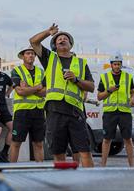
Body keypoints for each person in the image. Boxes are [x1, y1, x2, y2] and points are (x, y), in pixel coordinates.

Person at [29, 23, 95, 168]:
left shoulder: (81, 63)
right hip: (54, 110)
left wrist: (76, 79)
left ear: (71, 45)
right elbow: (33, 41)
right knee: (58, 152)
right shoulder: (49, 58)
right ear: (54, 45)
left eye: (65, 38)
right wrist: (48, 32)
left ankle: (91, 182)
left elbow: (91, 86)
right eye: (59, 39)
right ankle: (62, 182)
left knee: (84, 150)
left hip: (75, 111)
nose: (62, 39)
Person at [9, 47, 46, 163]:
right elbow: (20, 91)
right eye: (28, 53)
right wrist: (37, 87)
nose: (31, 55)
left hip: (39, 111)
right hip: (22, 112)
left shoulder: (41, 71)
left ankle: (41, 169)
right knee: (16, 142)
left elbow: (45, 92)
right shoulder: (16, 71)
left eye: (32, 54)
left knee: (39, 143)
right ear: (23, 56)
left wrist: (28, 89)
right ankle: (10, 169)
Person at [98, 55, 134, 167]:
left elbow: (132, 92)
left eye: (119, 64)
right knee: (106, 139)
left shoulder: (128, 77)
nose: (117, 66)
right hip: (110, 112)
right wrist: (109, 90)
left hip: (125, 111)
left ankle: (132, 166)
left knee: (128, 139)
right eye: (115, 64)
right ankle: (103, 165)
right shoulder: (104, 77)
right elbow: (99, 97)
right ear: (111, 65)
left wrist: (133, 98)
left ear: (121, 64)